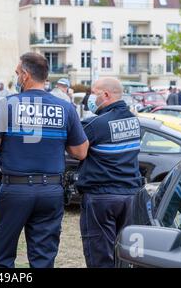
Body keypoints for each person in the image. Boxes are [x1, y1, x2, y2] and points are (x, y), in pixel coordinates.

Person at [0, 52, 89, 268]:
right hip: (51, 191)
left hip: (16, 190)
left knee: (2, 255)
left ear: (26, 76)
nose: (17, 78)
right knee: (43, 258)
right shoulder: (65, 107)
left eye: (18, 73)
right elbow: (81, 151)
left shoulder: (8, 104)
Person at [76, 77, 142, 268]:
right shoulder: (134, 121)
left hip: (101, 198)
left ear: (105, 95)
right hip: (130, 197)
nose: (90, 97)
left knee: (100, 257)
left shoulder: (96, 124)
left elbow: (77, 152)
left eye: (93, 92)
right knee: (123, 256)